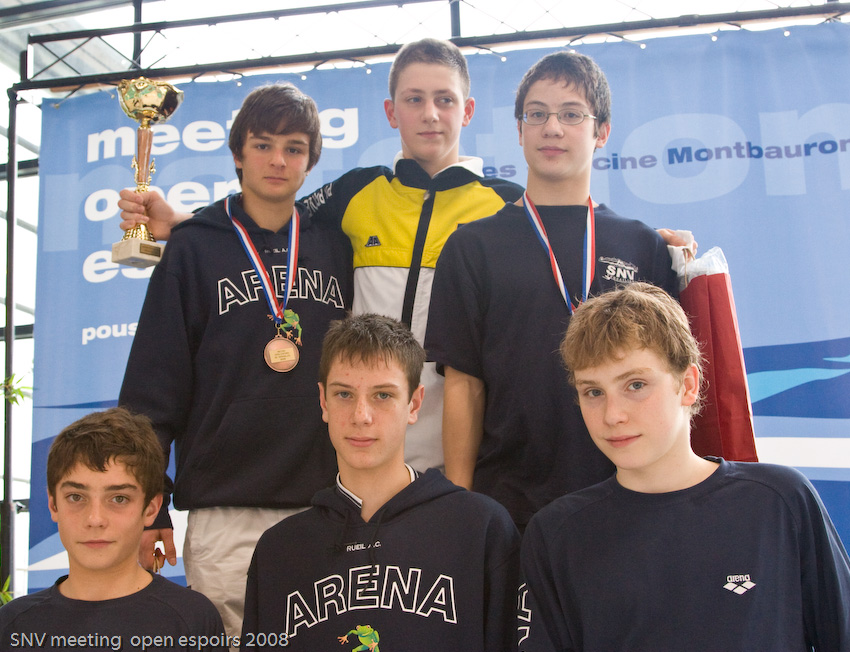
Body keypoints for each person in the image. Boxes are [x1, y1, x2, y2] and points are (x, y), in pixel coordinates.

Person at [118, 38, 527, 474]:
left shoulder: (508, 206)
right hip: (360, 451)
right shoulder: (356, 191)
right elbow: (271, 215)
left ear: (467, 110)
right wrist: (182, 220)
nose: (430, 113)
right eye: (414, 99)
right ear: (391, 112)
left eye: (444, 99)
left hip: (465, 452)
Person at [118, 83, 353, 640]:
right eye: (263, 144)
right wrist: (150, 508)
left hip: (324, 503)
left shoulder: (336, 247)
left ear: (311, 160)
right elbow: (154, 389)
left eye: (294, 148)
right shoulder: (194, 247)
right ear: (237, 153)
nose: (278, 160)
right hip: (225, 509)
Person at [424, 50, 680, 530]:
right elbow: (463, 385)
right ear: (519, 130)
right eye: (537, 114)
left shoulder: (641, 245)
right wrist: (462, 507)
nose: (552, 128)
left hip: (629, 497)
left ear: (602, 131)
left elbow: (668, 384)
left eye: (571, 114)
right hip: (509, 503)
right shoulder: (472, 246)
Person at [518, 283, 850, 651]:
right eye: (593, 392)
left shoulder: (779, 502)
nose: (613, 415)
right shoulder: (557, 534)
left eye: (636, 385)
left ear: (688, 385)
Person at [241, 314, 520, 651]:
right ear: (323, 401)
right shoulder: (279, 552)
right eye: (344, 394)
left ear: (414, 403)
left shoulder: (480, 529)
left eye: (383, 395)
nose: (361, 416)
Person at [0, 408, 228, 651]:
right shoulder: (13, 626)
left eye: (119, 498)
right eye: (76, 497)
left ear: (151, 509)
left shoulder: (192, 618)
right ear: (53, 505)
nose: (95, 519)